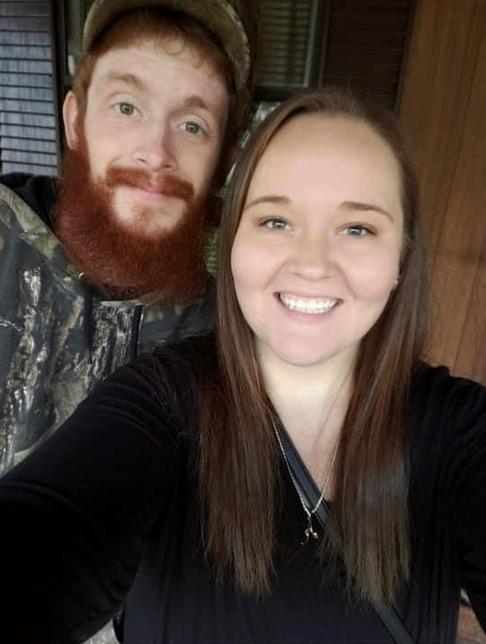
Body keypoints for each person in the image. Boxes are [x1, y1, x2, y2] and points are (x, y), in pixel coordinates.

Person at [0, 87, 485, 643]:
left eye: (358, 228)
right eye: (275, 221)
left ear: (401, 259)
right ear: (232, 243)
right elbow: (45, 538)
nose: (312, 265)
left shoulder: (459, 431)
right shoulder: (160, 406)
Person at [0, 0, 258, 473]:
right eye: (127, 107)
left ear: (224, 162)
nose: (156, 152)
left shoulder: (234, 337)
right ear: (75, 121)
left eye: (192, 125)